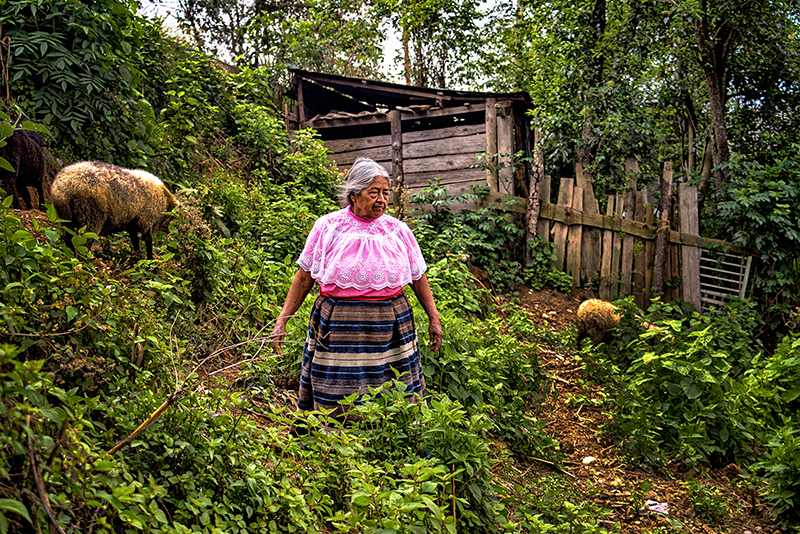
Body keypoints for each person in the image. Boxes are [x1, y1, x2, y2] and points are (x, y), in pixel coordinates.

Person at [270, 157, 442, 419]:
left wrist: (434, 318)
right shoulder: (329, 227)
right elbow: (304, 278)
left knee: (394, 388)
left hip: (391, 327)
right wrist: (282, 320)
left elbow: (419, 277)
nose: (382, 200)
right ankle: (333, 440)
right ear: (354, 194)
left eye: (386, 193)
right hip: (339, 327)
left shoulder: (398, 231)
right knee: (338, 387)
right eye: (374, 193)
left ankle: (397, 435)